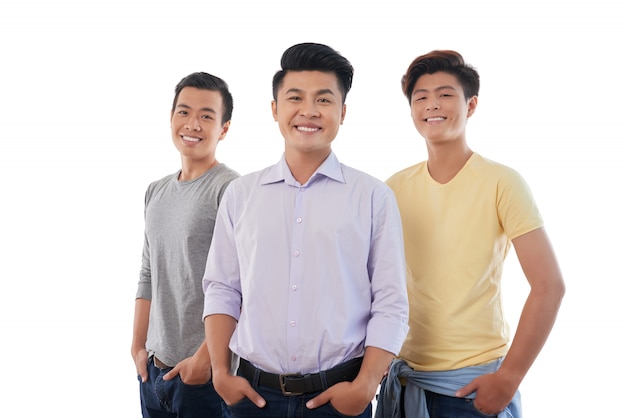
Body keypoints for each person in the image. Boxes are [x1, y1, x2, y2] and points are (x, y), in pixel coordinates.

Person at [202, 42, 409, 418]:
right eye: (295, 97)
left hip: (339, 399)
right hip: (252, 397)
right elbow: (222, 289)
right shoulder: (241, 195)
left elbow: (391, 302)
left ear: (343, 113)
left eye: (324, 100)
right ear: (275, 109)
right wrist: (220, 372)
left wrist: (364, 387)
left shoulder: (374, 196)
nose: (309, 111)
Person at [375, 50, 566, 418]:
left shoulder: (501, 182)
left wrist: (508, 378)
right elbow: (372, 284)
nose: (433, 104)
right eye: (421, 97)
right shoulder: (393, 188)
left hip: (471, 387)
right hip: (404, 381)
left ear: (471, 104)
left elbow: (549, 285)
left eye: (446, 94)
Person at [131, 72, 240, 417]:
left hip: (203, 378)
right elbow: (149, 272)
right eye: (184, 112)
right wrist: (138, 347)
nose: (192, 123)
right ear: (171, 117)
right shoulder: (155, 190)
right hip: (152, 370)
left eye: (207, 115)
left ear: (224, 128)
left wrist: (205, 359)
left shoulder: (231, 190)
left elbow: (245, 285)